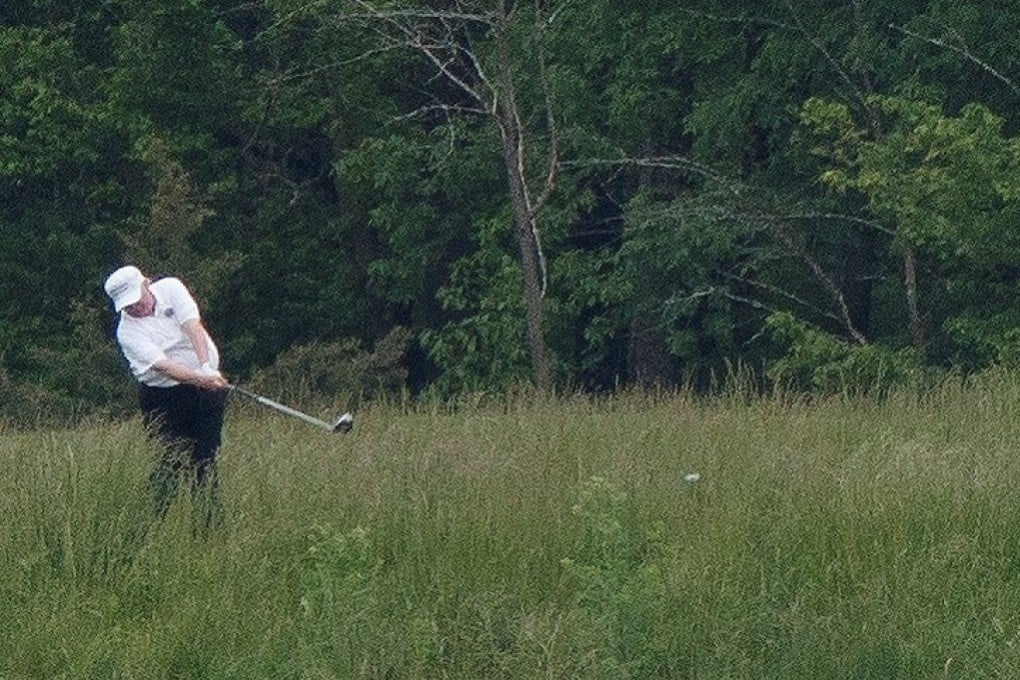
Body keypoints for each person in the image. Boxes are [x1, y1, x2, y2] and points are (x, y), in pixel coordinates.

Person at [104, 264, 229, 529]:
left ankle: (207, 529)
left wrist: (207, 367)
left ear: (146, 284)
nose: (134, 308)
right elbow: (164, 367)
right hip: (164, 399)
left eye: (137, 301)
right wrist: (200, 379)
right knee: (169, 462)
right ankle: (150, 526)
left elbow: (192, 325)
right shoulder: (127, 333)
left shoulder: (171, 288)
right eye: (128, 306)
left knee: (205, 460)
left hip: (208, 389)